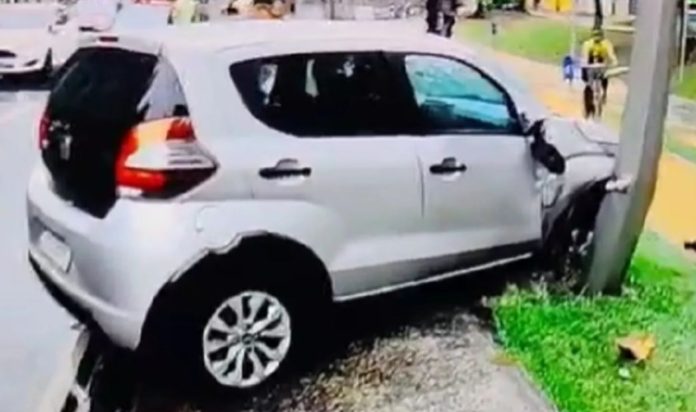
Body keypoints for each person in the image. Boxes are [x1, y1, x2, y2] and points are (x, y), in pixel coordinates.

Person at [580, 28, 618, 114]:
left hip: (601, 67)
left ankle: (604, 93)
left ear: (602, 36)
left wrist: (614, 62)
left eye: (599, 35)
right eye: (595, 35)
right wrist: (585, 64)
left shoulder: (606, 44)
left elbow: (611, 55)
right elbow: (585, 57)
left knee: (604, 77)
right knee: (588, 84)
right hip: (590, 66)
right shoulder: (587, 44)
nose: (597, 38)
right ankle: (587, 103)